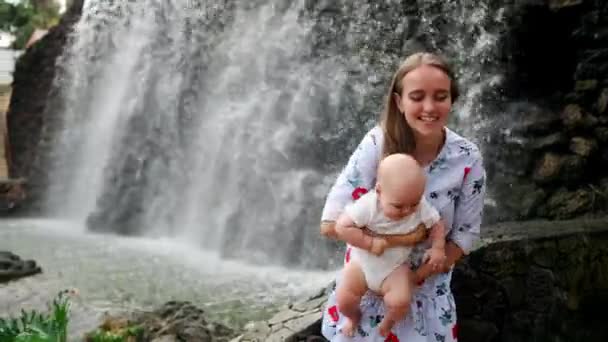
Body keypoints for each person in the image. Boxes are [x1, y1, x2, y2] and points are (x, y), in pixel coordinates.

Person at [320, 52, 486, 341]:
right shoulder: (377, 144)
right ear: (399, 101)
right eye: (417, 97)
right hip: (367, 297)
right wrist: (390, 243)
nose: (429, 107)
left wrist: (415, 277)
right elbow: (330, 223)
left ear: (452, 100)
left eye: (440, 96)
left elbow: (466, 234)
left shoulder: (467, 158)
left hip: (427, 299)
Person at [333, 153, 446, 338]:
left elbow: (437, 224)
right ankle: (353, 318)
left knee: (401, 301)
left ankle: (389, 322)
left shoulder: (420, 205)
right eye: (398, 206)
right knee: (344, 300)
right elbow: (341, 226)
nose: (407, 211)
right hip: (361, 265)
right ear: (379, 191)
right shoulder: (368, 205)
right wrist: (368, 243)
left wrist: (438, 247)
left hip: (394, 268)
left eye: (413, 204)